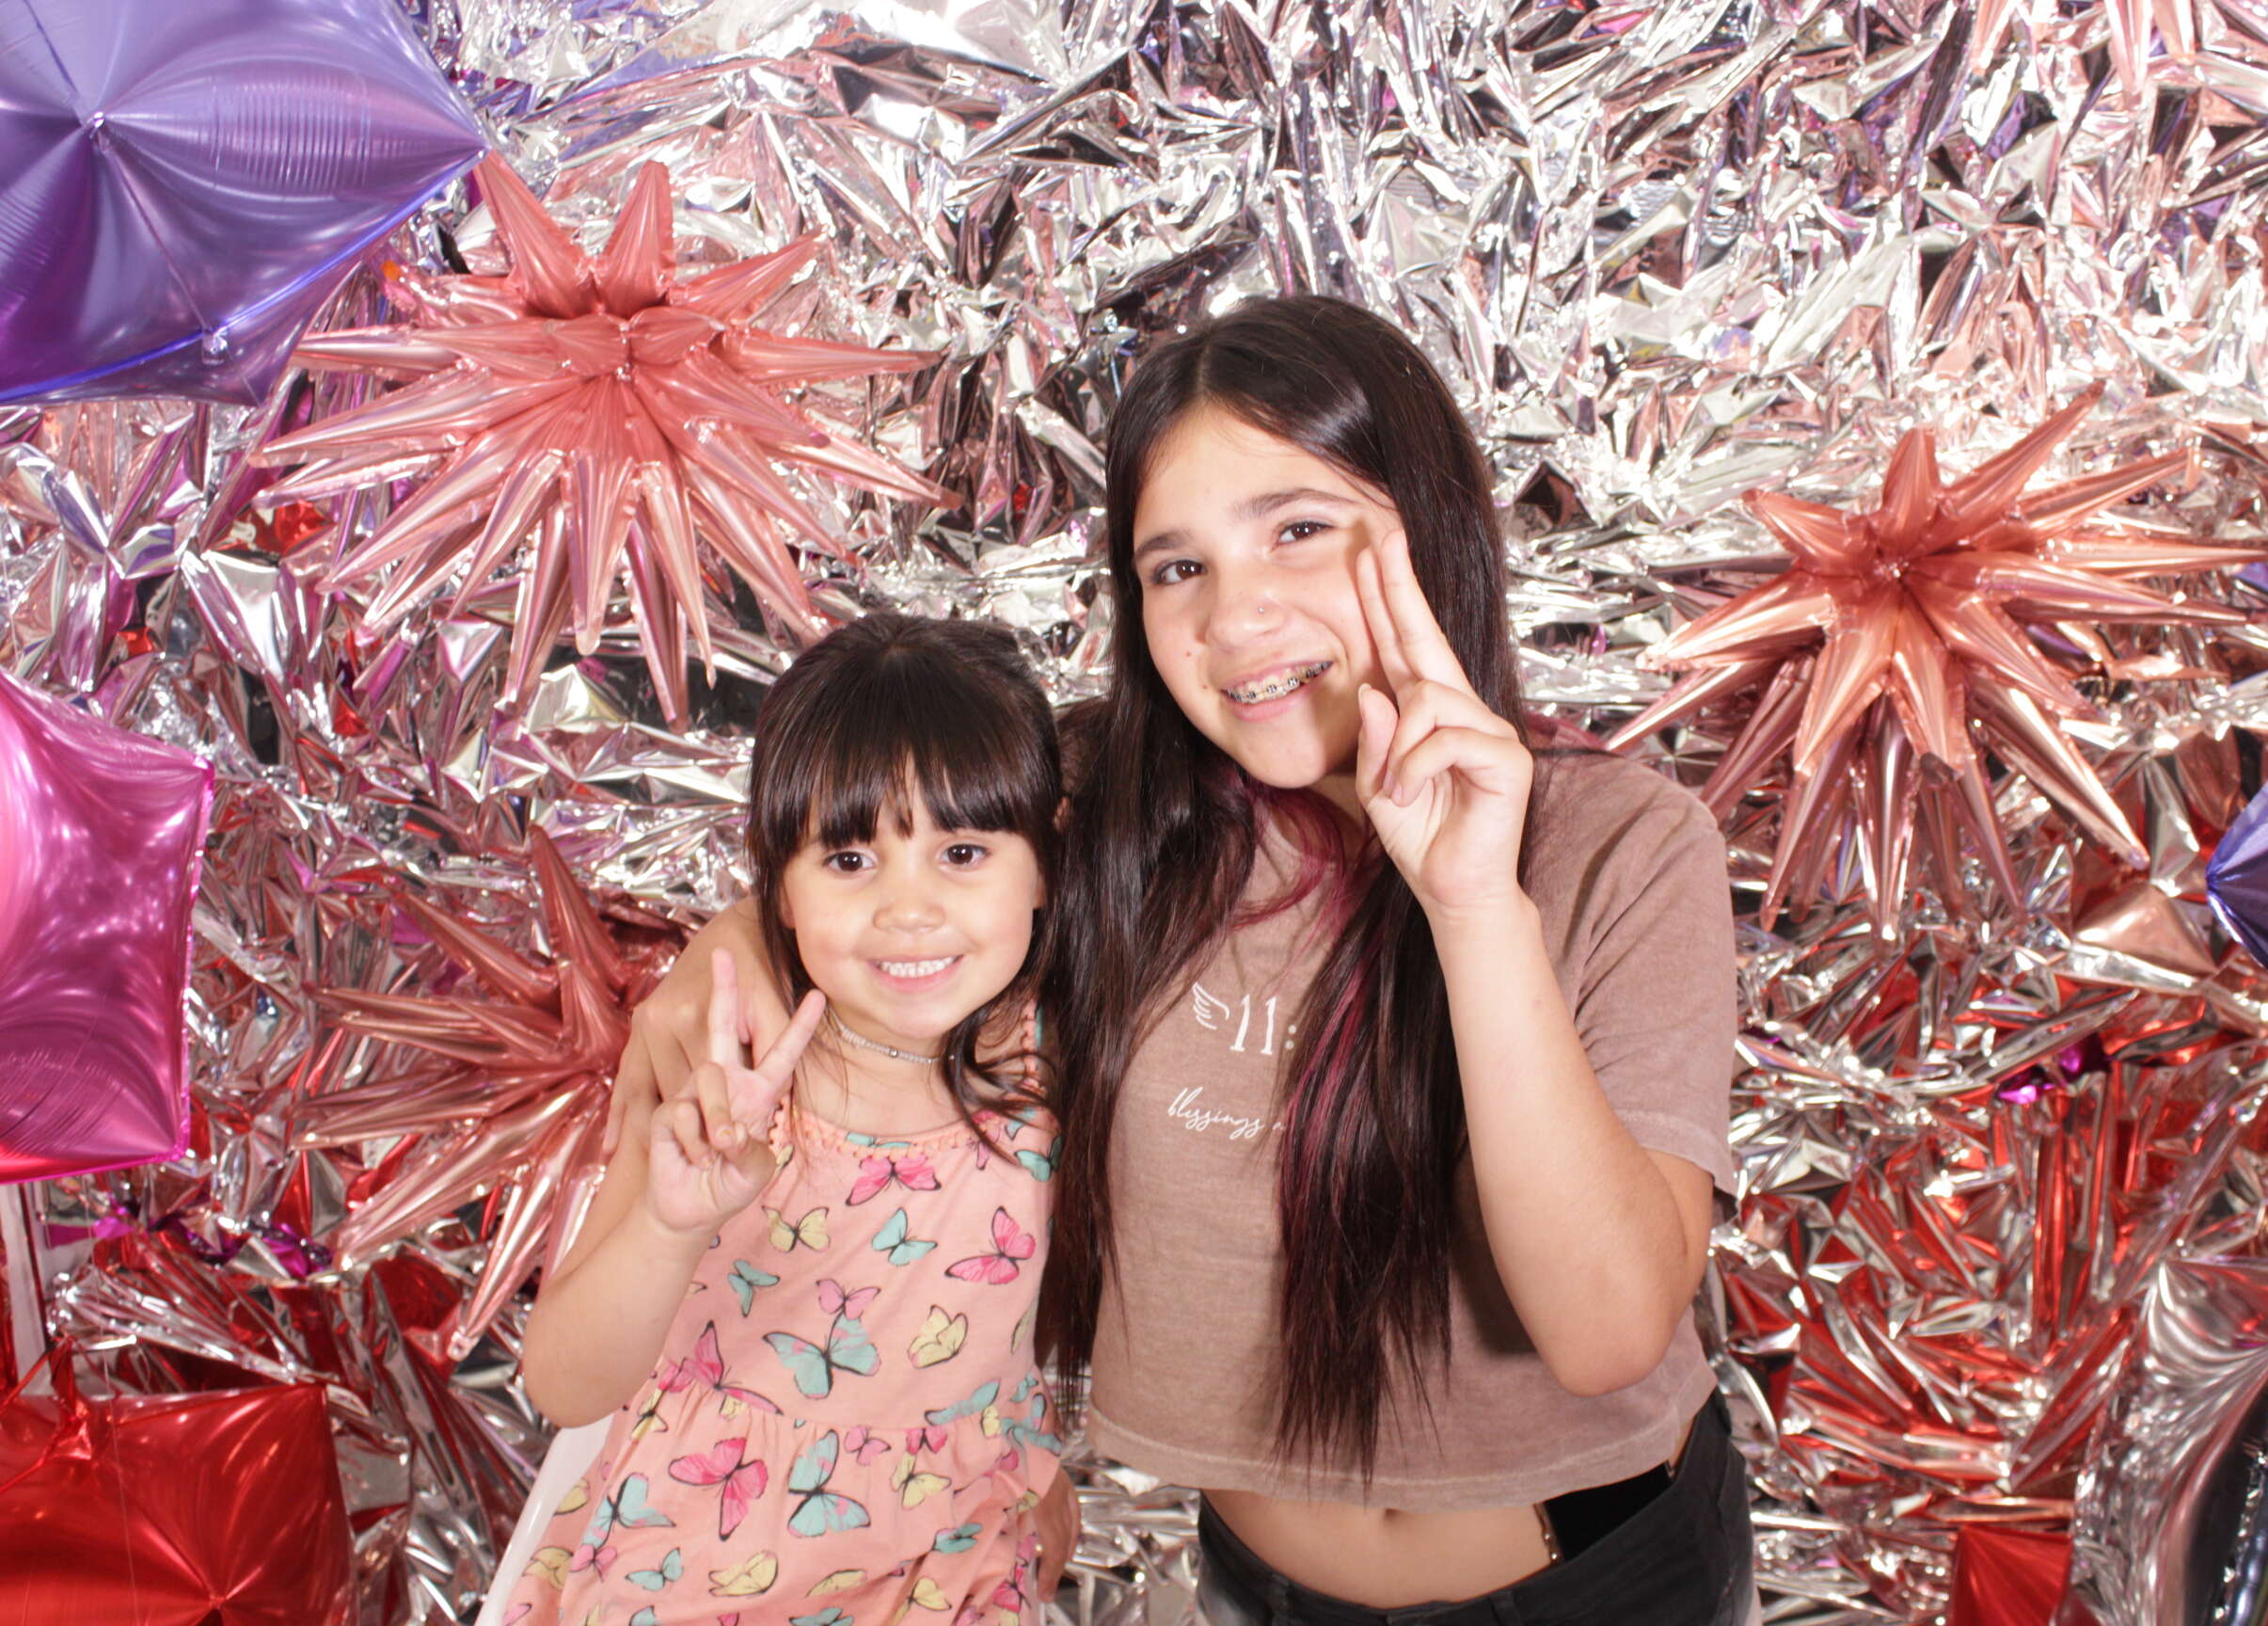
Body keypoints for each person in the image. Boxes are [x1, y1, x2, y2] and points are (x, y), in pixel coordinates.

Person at [621, 296, 1753, 1624]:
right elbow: (874, 877)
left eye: (1297, 530)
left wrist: (1474, 909)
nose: (1236, 616)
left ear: (1430, 522)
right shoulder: (1102, 813)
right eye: (1177, 568)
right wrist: (732, 947)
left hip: (1601, 1582)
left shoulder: (1622, 845)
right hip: (1259, 1588)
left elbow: (1607, 1333)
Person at [504, 614, 1079, 1626]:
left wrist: (1032, 1471)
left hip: (948, 1555)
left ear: (1045, 862)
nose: (909, 910)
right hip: (702, 1553)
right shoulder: (729, 1076)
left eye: (961, 851)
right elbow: (561, 1383)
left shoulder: (1058, 1052)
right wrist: (669, 1224)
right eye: (851, 862)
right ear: (778, 888)